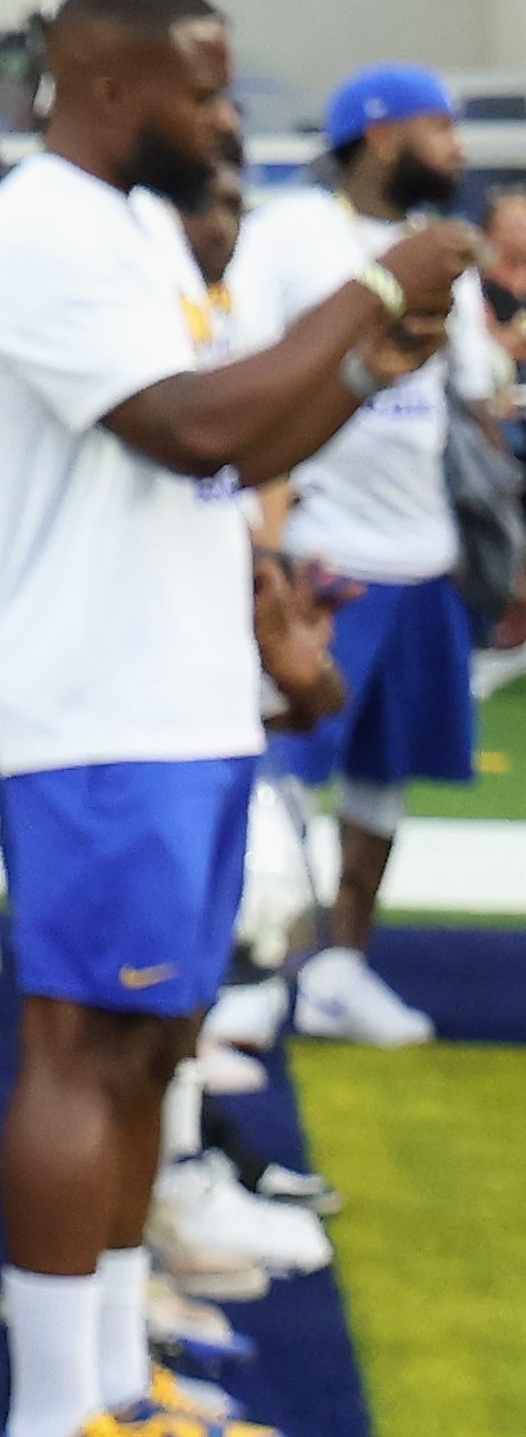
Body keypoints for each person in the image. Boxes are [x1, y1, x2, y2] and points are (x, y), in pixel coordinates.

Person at [0, 0, 470, 1437]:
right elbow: (185, 428)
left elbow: (242, 450)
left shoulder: (120, 228)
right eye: (209, 86)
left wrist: (363, 368)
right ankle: (46, 1436)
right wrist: (370, 299)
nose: (229, 116)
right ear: (109, 86)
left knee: (154, 1049)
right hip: (95, 707)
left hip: (174, 700)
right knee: (85, 1049)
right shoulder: (39, 222)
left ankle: (113, 1382)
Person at [223, 65, 505, 1047]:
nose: (460, 149)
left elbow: (474, 387)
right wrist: (264, 542)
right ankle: (261, 965)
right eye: (442, 127)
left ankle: (343, 965)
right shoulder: (289, 232)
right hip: (323, 548)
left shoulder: (443, 244)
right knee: (288, 765)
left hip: (424, 549)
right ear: (380, 134)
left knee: (387, 773)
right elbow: (248, 374)